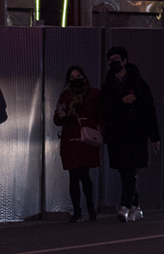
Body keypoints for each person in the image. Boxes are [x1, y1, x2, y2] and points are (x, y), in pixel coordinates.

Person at [101, 46, 160, 221]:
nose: (114, 62)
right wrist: (122, 102)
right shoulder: (108, 86)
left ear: (125, 60)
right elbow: (104, 109)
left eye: (117, 58)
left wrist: (154, 137)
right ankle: (136, 206)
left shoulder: (139, 84)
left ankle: (124, 207)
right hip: (117, 135)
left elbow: (150, 110)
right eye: (111, 59)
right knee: (123, 171)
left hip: (136, 134)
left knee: (130, 170)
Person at [53, 65, 102, 222]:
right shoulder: (65, 96)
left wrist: (102, 131)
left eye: (78, 76)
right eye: (72, 78)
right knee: (73, 175)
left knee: (84, 174)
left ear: (84, 76)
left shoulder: (94, 94)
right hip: (70, 139)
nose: (76, 80)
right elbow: (57, 120)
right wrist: (62, 114)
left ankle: (90, 208)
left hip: (86, 139)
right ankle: (77, 211)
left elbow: (100, 114)